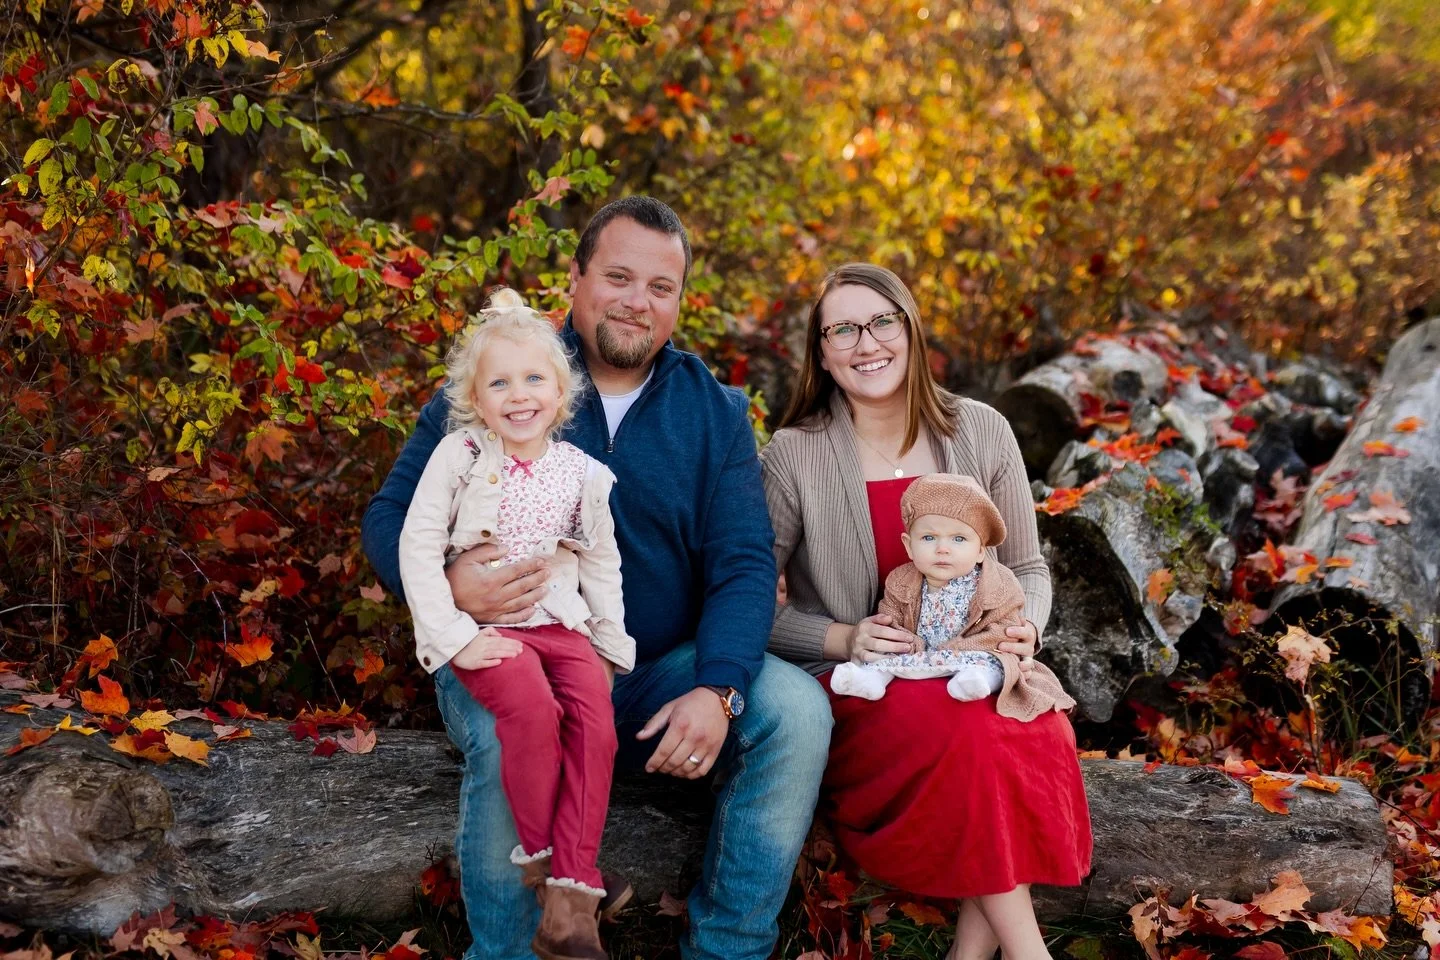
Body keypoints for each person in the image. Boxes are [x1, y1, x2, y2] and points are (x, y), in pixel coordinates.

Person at [363, 196, 832, 960]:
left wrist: (719, 690)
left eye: (660, 286)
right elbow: (389, 519)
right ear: (577, 279)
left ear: (680, 301)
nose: (636, 301)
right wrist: (451, 583)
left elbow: (744, 563)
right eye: (618, 276)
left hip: (647, 665)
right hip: (501, 651)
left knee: (799, 713)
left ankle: (728, 948)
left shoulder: (713, 412)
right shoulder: (510, 373)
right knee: (518, 725)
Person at [760, 263, 1091, 960]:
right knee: (970, 735)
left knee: (1038, 730)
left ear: (910, 331)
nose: (865, 342)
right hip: (869, 685)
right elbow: (747, 601)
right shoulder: (793, 455)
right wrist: (843, 636)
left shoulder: (982, 430)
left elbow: (1028, 567)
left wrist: (1025, 626)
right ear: (821, 353)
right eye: (842, 329)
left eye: (882, 321)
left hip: (977, 662)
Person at [397, 288, 633, 960]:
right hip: (485, 631)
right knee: (529, 704)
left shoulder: (583, 473)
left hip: (559, 620)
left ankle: (568, 895)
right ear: (475, 396)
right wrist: (454, 637)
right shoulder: (461, 455)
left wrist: (610, 644)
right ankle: (553, 866)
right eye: (499, 382)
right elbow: (417, 545)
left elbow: (602, 560)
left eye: (535, 379)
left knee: (593, 711)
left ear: (561, 393)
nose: (519, 394)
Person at [831, 473, 1076, 720]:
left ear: (980, 550)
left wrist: (961, 649)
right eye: (929, 538)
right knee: (886, 658)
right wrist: (906, 645)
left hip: (974, 655)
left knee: (995, 666)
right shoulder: (901, 581)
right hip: (920, 656)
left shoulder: (996, 584)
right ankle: (870, 680)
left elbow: (1003, 629)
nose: (942, 548)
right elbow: (890, 620)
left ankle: (975, 682)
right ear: (908, 546)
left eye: (959, 539)